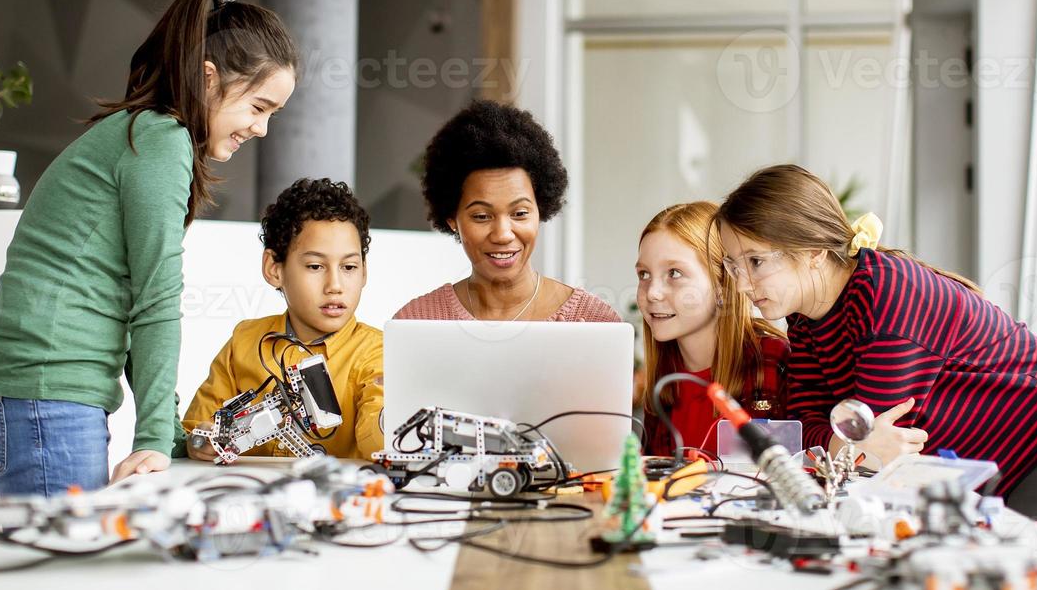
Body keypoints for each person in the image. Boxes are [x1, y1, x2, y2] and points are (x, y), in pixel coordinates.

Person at [0, 0, 298, 496]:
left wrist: (169, 434)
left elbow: (136, 300)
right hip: (43, 397)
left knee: (53, 570)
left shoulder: (141, 133)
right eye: (258, 107)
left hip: (31, 395)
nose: (263, 129)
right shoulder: (161, 139)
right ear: (208, 79)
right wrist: (156, 436)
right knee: (68, 574)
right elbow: (157, 299)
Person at [717, 164, 1037, 545]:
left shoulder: (886, 295)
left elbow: (883, 443)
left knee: (1036, 578)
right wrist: (848, 447)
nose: (743, 283)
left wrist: (849, 446)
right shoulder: (804, 323)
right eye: (734, 266)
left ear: (814, 252)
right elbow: (813, 434)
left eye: (756, 261)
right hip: (975, 465)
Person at [183, 178, 384, 462]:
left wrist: (390, 422)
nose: (335, 285)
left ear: (364, 273)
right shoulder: (246, 341)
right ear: (274, 269)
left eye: (349, 267)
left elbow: (376, 439)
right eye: (315, 266)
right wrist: (203, 441)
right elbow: (194, 431)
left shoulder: (377, 352)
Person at [394, 100, 618, 322]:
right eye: (482, 216)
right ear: (452, 218)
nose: (503, 234)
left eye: (520, 213)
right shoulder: (417, 321)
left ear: (541, 209)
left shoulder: (593, 321)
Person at [635, 201, 787, 458]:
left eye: (674, 273)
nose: (653, 293)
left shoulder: (772, 360)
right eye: (644, 275)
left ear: (722, 284)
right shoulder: (664, 378)